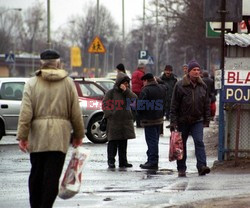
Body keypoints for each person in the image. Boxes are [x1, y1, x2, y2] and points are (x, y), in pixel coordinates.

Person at [17, 49, 84, 208]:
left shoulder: (31, 83)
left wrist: (23, 136)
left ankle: (36, 205)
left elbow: (25, 112)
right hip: (59, 137)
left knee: (36, 174)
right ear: (58, 62)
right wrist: (78, 134)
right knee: (52, 177)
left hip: (38, 137)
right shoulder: (68, 83)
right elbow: (76, 111)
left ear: (41, 63)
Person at [170, 60, 211, 177]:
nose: (197, 72)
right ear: (189, 72)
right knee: (181, 146)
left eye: (198, 70)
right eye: (194, 70)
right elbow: (174, 105)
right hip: (183, 120)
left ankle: (202, 166)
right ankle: (181, 168)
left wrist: (206, 119)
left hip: (197, 120)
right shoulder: (180, 85)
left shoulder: (203, 86)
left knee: (199, 142)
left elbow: (206, 104)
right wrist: (173, 121)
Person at [102, 72, 137, 169]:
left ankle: (123, 161)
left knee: (123, 143)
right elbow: (105, 105)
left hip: (125, 121)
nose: (126, 85)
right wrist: (110, 115)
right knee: (113, 143)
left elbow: (135, 99)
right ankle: (111, 161)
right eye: (124, 83)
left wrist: (126, 91)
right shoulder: (111, 92)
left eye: (127, 83)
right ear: (119, 83)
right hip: (114, 121)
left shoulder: (127, 92)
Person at [138, 73, 166, 170]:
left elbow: (140, 106)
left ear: (146, 81)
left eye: (143, 81)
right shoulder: (161, 88)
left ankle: (152, 162)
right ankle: (151, 160)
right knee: (155, 140)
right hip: (158, 119)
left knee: (151, 141)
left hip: (148, 120)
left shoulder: (146, 90)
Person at [131, 63, 146, 127]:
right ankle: (139, 123)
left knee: (135, 108)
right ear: (142, 68)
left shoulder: (134, 73)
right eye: (144, 68)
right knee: (140, 108)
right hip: (140, 92)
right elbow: (143, 82)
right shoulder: (141, 74)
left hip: (134, 92)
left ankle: (137, 122)